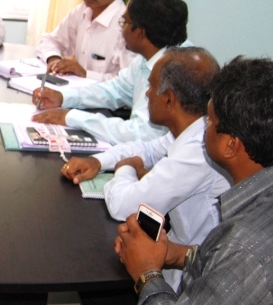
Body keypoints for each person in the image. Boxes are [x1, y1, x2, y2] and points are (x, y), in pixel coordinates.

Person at [115, 57, 273, 304]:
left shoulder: (246, 248)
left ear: (230, 145)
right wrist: (179, 255)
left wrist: (147, 273)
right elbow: (233, 268)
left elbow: (243, 263)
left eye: (209, 120)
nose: (204, 127)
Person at [62, 47, 230, 292]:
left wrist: (125, 169)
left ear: (169, 99)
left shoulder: (198, 152)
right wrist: (98, 161)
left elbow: (123, 205)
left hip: (192, 279)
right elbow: (148, 149)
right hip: (176, 251)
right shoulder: (193, 128)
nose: (147, 93)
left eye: (151, 86)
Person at [32, 0, 189, 145]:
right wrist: (64, 97)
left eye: (124, 22)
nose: (121, 29)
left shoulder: (178, 70)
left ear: (140, 32)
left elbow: (140, 134)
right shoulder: (150, 56)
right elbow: (115, 90)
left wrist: (72, 117)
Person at [36, 0, 136, 81]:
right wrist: (54, 60)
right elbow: (50, 40)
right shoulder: (82, 11)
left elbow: (129, 83)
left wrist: (86, 74)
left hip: (102, 94)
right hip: (75, 90)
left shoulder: (127, 25)